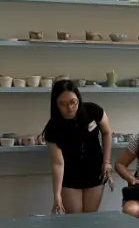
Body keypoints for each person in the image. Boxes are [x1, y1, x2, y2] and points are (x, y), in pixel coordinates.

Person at [43, 80, 112, 215]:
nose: (69, 107)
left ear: (78, 98)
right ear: (55, 104)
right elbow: (58, 163)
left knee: (90, 218)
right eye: (63, 104)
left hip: (94, 171)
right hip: (70, 176)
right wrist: (57, 195)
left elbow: (107, 132)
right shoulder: (53, 127)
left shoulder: (93, 110)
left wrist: (107, 162)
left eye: (73, 102)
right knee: (75, 220)